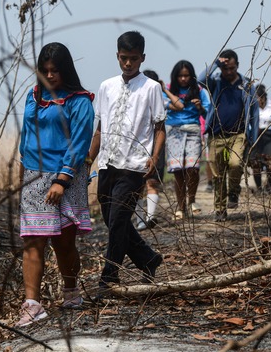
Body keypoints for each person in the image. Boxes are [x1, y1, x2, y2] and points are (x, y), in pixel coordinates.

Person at [16, 42, 95, 326]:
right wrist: (23, 169)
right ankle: (33, 305)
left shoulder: (79, 101)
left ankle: (72, 290)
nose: (50, 76)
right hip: (33, 177)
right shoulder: (32, 96)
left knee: (63, 243)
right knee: (32, 240)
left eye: (55, 71)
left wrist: (61, 180)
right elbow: (26, 135)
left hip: (65, 178)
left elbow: (79, 142)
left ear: (66, 71)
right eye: (45, 71)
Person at [87, 31, 166, 293]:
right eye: (124, 58)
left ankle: (109, 279)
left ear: (142, 58)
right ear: (117, 56)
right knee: (112, 220)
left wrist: (154, 159)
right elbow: (100, 128)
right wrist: (90, 158)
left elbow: (159, 128)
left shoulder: (151, 88)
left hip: (134, 165)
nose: (128, 63)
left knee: (119, 220)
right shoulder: (106, 86)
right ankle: (148, 258)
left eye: (133, 58)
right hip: (108, 164)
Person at [199, 49, 259, 222]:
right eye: (225, 69)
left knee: (235, 163)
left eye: (232, 68)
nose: (229, 72)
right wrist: (216, 63)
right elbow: (201, 79)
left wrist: (253, 139)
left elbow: (254, 114)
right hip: (217, 135)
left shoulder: (246, 86)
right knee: (218, 175)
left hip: (238, 135)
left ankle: (234, 191)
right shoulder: (216, 82)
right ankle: (220, 210)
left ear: (237, 66)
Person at [164, 60, 210, 219]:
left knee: (193, 168)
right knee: (178, 171)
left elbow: (207, 114)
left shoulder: (199, 91)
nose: (183, 79)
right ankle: (180, 205)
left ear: (191, 76)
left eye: (186, 76)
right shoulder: (168, 90)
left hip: (193, 130)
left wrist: (200, 108)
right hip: (174, 131)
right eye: (180, 76)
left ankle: (192, 200)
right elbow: (166, 107)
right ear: (175, 77)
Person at [136, 69, 166, 231]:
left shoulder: (160, 101)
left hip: (155, 148)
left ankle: (149, 217)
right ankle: (142, 219)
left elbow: (160, 127)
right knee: (138, 185)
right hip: (138, 148)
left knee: (151, 182)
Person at [250, 84, 271, 193]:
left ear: (264, 97)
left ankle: (268, 186)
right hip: (256, 136)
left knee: (270, 162)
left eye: (260, 98)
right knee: (256, 162)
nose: (258, 100)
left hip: (269, 136)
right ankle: (258, 187)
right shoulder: (251, 107)